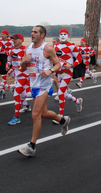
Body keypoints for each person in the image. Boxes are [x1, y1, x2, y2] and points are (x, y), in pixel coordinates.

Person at [18, 25, 70, 157]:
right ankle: (63, 120)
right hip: (33, 85)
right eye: (31, 31)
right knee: (43, 113)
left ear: (42, 35)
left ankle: (32, 146)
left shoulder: (47, 48)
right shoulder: (28, 48)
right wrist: (24, 61)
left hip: (44, 85)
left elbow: (58, 64)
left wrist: (50, 71)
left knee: (35, 114)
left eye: (35, 32)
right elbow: (23, 68)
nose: (32, 34)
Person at [54, 29, 83, 114]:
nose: (63, 36)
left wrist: (71, 65)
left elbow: (79, 59)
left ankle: (60, 115)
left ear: (68, 36)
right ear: (59, 36)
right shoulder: (55, 46)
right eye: (61, 34)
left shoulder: (72, 46)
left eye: (65, 34)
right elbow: (54, 58)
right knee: (64, 94)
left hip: (68, 72)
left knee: (60, 93)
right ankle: (78, 101)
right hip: (59, 72)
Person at [6, 34, 30, 125]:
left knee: (16, 94)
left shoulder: (26, 49)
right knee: (24, 94)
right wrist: (8, 66)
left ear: (21, 40)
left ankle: (16, 117)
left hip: (24, 74)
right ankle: (28, 104)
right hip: (17, 75)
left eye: (16, 39)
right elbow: (9, 60)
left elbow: (30, 62)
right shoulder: (11, 50)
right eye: (13, 39)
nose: (14, 40)